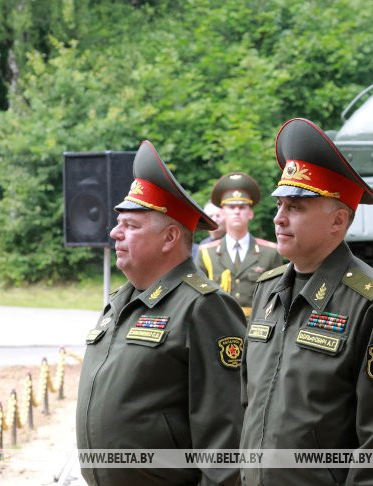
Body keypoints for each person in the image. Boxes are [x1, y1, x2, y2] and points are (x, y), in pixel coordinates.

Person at [239, 118, 373, 485]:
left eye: (296, 207)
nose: (279, 218)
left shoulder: (372, 301)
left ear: (338, 221)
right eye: (280, 205)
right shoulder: (266, 289)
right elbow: (247, 403)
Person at [76, 140, 246, 486]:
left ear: (169, 237)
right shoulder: (120, 300)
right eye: (118, 223)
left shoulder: (203, 306)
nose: (114, 232)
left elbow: (225, 435)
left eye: (132, 226)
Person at [197, 172, 282, 316]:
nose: (237, 211)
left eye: (242, 207)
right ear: (222, 213)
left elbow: (277, 297)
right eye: (231, 207)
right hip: (218, 324)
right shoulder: (206, 253)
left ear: (251, 213)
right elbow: (199, 297)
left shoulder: (270, 252)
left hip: (256, 327)